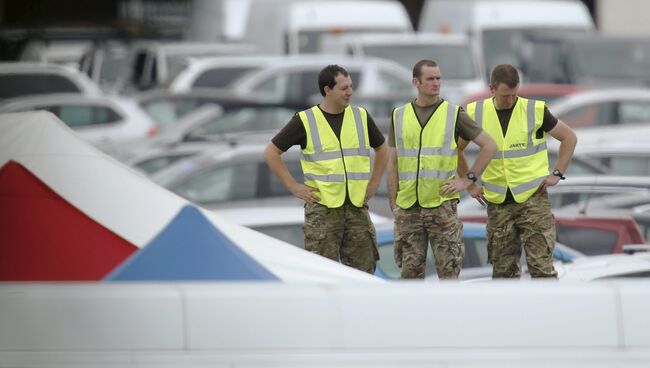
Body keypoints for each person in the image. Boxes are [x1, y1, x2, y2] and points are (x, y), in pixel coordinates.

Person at [263, 64, 387, 274]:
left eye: (350, 86)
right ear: (327, 90)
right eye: (344, 88)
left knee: (364, 275)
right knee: (322, 272)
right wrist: (294, 187)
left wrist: (374, 183)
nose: (350, 92)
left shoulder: (360, 116)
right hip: (323, 210)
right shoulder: (305, 120)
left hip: (356, 208)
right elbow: (270, 153)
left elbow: (382, 149)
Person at [463, 64, 577, 279]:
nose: (510, 100)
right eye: (505, 95)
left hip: (533, 200)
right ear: (492, 89)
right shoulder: (475, 112)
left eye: (514, 95)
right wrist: (470, 184)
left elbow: (569, 137)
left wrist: (557, 173)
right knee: (503, 272)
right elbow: (456, 149)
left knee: (541, 268)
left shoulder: (534, 110)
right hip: (498, 203)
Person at [387, 59, 496, 279]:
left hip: (441, 208)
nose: (436, 83)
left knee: (449, 275)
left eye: (438, 78)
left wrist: (467, 180)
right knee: (410, 277)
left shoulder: (453, 113)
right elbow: (393, 162)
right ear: (416, 82)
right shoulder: (399, 115)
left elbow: (489, 145)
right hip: (408, 209)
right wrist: (394, 203)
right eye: (430, 79)